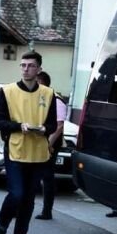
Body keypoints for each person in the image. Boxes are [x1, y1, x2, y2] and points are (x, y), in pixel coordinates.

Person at [0, 51, 58, 234]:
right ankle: (1, 227)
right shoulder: (8, 91)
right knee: (16, 194)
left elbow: (53, 124)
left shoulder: (48, 94)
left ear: (39, 69)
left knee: (29, 199)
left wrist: (44, 129)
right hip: (16, 150)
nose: (26, 69)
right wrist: (19, 126)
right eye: (23, 65)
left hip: (38, 154)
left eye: (30, 65)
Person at [34, 71, 66, 221]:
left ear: (43, 83)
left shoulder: (56, 100)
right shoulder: (41, 98)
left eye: (37, 83)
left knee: (47, 176)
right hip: (40, 141)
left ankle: (47, 211)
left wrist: (48, 144)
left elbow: (59, 126)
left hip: (50, 143)